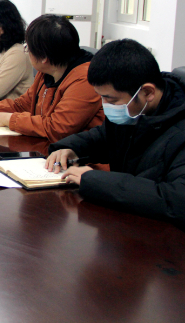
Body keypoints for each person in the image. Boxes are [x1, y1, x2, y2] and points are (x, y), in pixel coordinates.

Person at [46, 39, 185, 228]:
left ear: (147, 92)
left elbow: (177, 200)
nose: (106, 106)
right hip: (125, 224)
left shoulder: (179, 131)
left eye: (111, 100)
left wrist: (96, 182)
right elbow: (104, 137)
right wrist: (71, 149)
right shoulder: (135, 110)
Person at [0, 15, 104, 142]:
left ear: (44, 57)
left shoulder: (85, 79)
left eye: (28, 48)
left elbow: (58, 128)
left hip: (81, 160)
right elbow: (23, 104)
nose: (26, 52)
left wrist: (7, 119)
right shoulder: (47, 71)